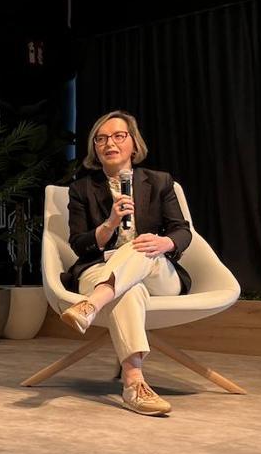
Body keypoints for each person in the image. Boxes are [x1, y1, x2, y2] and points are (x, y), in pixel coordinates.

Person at [60, 110, 192, 416]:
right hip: (101, 267)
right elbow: (79, 244)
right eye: (101, 138)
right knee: (127, 291)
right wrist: (109, 224)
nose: (110, 144)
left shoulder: (159, 182)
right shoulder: (81, 189)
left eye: (119, 136)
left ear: (133, 143)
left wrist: (165, 242)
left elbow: (182, 231)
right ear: (95, 148)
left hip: (157, 270)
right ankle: (134, 385)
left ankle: (90, 305)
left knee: (139, 247)